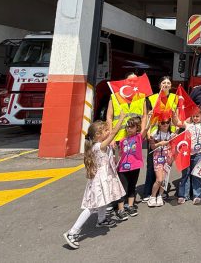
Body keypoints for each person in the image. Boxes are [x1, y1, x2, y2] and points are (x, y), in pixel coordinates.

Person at [63, 118, 127, 249]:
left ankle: (101, 219)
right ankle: (72, 232)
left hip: (104, 178)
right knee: (92, 206)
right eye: (106, 130)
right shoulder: (98, 146)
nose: (108, 132)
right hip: (99, 180)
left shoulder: (101, 145)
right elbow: (114, 133)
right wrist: (120, 119)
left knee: (103, 200)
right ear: (98, 135)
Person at [143, 76, 178, 202]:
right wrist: (147, 134)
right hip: (154, 135)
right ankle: (148, 192)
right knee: (152, 165)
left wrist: (176, 133)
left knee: (166, 165)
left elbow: (176, 118)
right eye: (164, 82)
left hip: (169, 136)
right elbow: (147, 116)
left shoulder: (175, 98)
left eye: (168, 83)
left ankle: (162, 193)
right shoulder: (152, 98)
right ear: (159, 85)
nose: (166, 85)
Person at [114, 115, 147, 221]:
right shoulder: (122, 140)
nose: (129, 129)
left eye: (131, 127)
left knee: (132, 186)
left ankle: (130, 205)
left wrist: (149, 116)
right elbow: (120, 154)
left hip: (135, 166)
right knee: (123, 188)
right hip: (123, 168)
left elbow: (146, 128)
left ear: (137, 128)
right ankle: (120, 209)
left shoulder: (138, 138)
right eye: (127, 127)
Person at [174, 107, 201, 205]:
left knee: (197, 175)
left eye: (197, 116)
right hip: (186, 154)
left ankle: (197, 195)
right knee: (185, 174)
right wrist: (174, 113)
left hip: (199, 154)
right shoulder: (188, 125)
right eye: (193, 116)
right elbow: (177, 122)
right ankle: (183, 195)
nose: (195, 118)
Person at [106, 72, 150, 143]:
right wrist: (110, 137)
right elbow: (109, 117)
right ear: (124, 81)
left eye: (135, 81)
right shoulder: (115, 96)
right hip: (118, 137)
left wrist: (142, 132)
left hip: (136, 137)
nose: (132, 83)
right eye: (130, 80)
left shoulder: (141, 97)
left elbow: (145, 116)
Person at [146, 115, 175, 207]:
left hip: (168, 158)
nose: (165, 124)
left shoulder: (172, 134)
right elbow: (152, 147)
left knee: (164, 180)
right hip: (157, 158)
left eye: (167, 122)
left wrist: (172, 157)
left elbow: (174, 148)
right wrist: (159, 143)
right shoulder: (155, 133)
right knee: (159, 179)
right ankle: (152, 196)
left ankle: (160, 196)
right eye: (163, 123)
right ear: (159, 123)